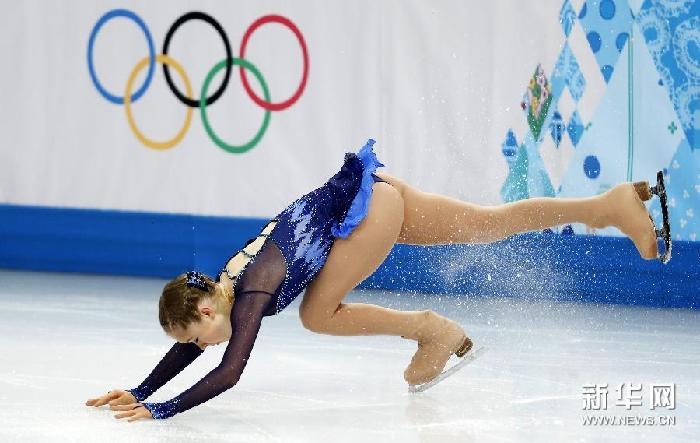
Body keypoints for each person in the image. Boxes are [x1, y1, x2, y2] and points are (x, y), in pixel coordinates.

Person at [85, 138, 662, 421]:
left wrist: (163, 409)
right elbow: (196, 347)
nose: (196, 347)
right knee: (486, 224)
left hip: (364, 212)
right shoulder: (219, 288)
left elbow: (229, 371)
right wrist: (141, 390)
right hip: (369, 196)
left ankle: (432, 330)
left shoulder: (254, 289)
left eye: (194, 337)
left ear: (206, 311)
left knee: (316, 314)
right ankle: (606, 207)